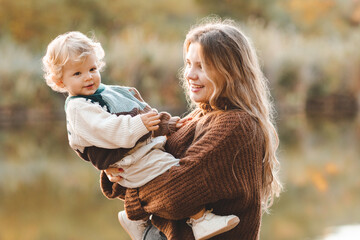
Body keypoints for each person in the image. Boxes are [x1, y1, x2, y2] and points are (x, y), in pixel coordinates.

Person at [42, 31, 241, 240]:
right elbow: (110, 129)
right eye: (78, 74)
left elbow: (143, 113)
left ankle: (137, 218)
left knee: (164, 170)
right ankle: (200, 220)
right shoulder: (79, 108)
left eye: (92, 69)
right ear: (60, 81)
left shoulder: (103, 93)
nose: (89, 77)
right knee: (171, 174)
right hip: (131, 158)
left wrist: (166, 124)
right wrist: (140, 125)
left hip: (137, 153)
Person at [99, 17, 283, 240]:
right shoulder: (202, 115)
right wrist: (116, 168)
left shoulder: (236, 125)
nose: (189, 74)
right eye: (188, 63)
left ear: (230, 72)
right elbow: (150, 167)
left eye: (202, 67)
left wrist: (133, 192)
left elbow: (174, 194)